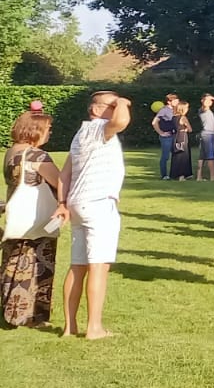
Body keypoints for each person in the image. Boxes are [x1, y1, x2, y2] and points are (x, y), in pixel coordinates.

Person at [54, 91, 130, 339]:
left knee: (78, 266)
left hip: (78, 203)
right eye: (111, 105)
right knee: (99, 266)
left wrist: (62, 203)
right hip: (98, 203)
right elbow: (121, 121)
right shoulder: (100, 128)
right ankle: (94, 327)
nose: (115, 109)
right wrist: (123, 103)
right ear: (96, 110)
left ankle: (70, 326)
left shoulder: (80, 134)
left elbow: (64, 175)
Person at [3, 111, 60, 328]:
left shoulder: (12, 152)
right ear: (35, 131)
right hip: (37, 217)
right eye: (47, 129)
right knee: (38, 266)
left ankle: (10, 310)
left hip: (16, 216)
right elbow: (58, 181)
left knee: (12, 263)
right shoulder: (37, 156)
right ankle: (32, 316)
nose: (49, 133)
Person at [152, 92, 178, 180]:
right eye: (175, 100)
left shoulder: (176, 109)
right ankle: (164, 175)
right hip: (167, 136)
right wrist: (161, 132)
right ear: (169, 102)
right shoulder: (164, 110)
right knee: (165, 156)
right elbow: (154, 122)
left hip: (175, 135)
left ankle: (175, 174)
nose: (177, 102)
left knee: (176, 155)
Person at [169, 101, 194, 181]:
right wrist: (186, 129)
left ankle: (174, 174)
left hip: (175, 137)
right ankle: (182, 175)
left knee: (176, 155)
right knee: (184, 156)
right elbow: (190, 129)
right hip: (182, 136)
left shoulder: (173, 117)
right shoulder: (183, 118)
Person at [198, 93, 214, 181]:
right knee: (210, 156)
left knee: (202, 156)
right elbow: (205, 105)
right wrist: (209, 97)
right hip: (208, 134)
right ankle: (212, 176)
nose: (210, 102)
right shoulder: (204, 110)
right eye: (208, 100)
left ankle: (199, 176)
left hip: (206, 134)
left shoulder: (207, 111)